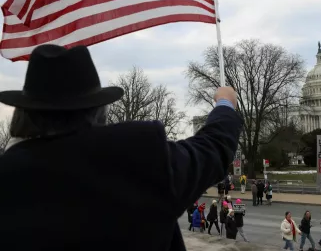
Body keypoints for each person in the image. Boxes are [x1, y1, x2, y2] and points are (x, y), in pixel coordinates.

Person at [0, 45, 243, 250]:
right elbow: (213, 147)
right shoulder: (138, 158)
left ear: (25, 113)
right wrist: (224, 103)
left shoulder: (9, 175)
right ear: (98, 110)